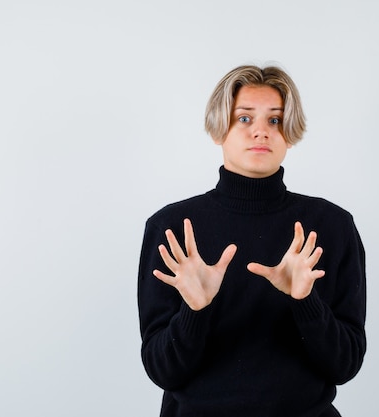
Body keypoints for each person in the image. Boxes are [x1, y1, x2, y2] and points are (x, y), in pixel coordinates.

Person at [137, 64, 367, 417]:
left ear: (289, 132)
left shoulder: (331, 227)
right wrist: (195, 312)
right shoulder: (172, 229)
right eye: (244, 119)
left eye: (275, 120)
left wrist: (305, 302)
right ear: (219, 129)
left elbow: (345, 365)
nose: (261, 131)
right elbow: (162, 370)